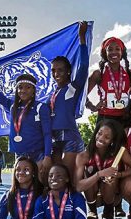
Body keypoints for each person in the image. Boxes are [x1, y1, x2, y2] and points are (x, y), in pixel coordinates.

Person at [0, 70, 53, 182]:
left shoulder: (41, 107)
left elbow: (47, 133)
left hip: (37, 154)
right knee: (19, 186)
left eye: (28, 87)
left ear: (34, 90)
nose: (23, 90)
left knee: (38, 186)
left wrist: (47, 156)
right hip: (19, 154)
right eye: (20, 87)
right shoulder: (12, 106)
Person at [75, 120, 131, 219]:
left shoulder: (119, 152)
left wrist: (120, 174)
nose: (101, 138)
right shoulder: (83, 156)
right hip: (93, 195)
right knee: (89, 178)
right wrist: (98, 174)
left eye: (107, 137)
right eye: (99, 133)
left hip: (112, 194)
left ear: (112, 141)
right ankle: (92, 211)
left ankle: (108, 210)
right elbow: (78, 186)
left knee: (110, 179)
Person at [49, 21, 89, 180]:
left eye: (60, 70)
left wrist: (81, 38)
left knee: (65, 177)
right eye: (53, 70)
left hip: (70, 138)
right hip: (55, 139)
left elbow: (84, 66)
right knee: (54, 177)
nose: (56, 73)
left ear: (68, 72)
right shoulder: (52, 93)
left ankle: (75, 203)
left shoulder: (72, 87)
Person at [86, 37, 131, 127]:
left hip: (125, 119)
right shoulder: (98, 74)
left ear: (122, 52)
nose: (114, 52)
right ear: (105, 53)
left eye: (117, 49)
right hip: (105, 118)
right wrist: (91, 106)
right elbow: (82, 94)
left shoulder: (130, 73)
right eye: (110, 49)